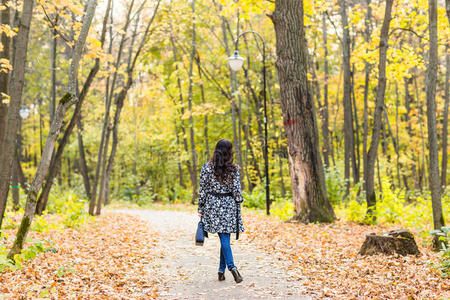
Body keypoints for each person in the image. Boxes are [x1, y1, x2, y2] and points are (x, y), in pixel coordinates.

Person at [198, 139, 244, 283]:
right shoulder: (234, 169)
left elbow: (203, 189)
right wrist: (239, 200)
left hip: (212, 206)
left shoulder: (206, 167)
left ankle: (220, 271)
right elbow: (236, 190)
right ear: (229, 151)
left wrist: (201, 207)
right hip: (228, 206)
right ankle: (232, 268)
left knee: (224, 239)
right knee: (225, 238)